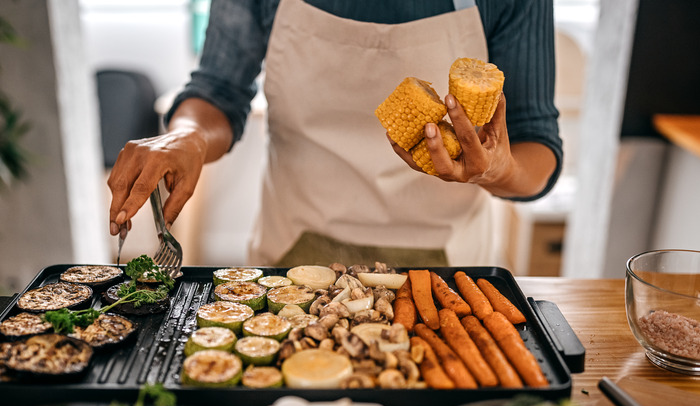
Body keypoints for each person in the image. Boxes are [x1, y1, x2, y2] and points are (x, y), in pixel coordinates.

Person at [107, 0, 562, 268]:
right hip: (290, 255)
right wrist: (188, 134)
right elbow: (218, 89)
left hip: (448, 268)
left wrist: (497, 169)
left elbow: (536, 148)